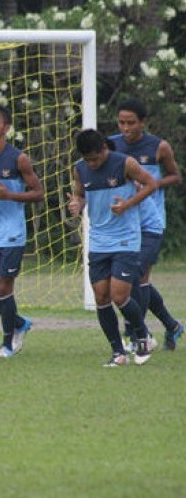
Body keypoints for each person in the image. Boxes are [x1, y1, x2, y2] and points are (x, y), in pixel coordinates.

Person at [67, 129, 158, 366]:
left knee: (119, 295)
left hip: (125, 239)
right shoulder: (80, 168)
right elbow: (80, 195)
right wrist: (77, 204)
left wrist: (127, 204)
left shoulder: (125, 163)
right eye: (88, 160)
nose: (92, 164)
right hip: (98, 240)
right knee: (101, 297)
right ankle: (118, 353)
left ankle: (142, 336)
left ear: (104, 149)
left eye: (96, 159)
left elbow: (151, 184)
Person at [109, 99, 184, 351]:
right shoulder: (112, 145)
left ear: (143, 123)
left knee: (136, 276)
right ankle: (172, 326)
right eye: (121, 122)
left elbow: (175, 176)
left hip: (151, 222)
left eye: (131, 123)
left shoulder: (158, 146)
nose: (126, 127)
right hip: (122, 223)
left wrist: (151, 182)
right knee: (138, 280)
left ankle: (135, 335)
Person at [0, 104, 44, 358]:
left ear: (6, 128)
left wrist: (10, 194)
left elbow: (38, 193)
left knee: (3, 288)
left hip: (12, 234)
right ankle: (19, 323)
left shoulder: (18, 158)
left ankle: (7, 344)